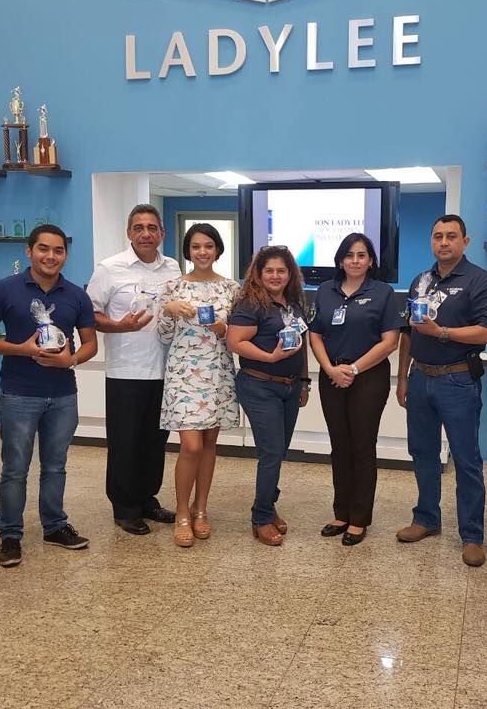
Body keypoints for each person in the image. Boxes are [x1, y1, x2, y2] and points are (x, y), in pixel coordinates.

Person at [0, 224, 98, 567]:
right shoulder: (4, 289)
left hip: (62, 394)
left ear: (65, 255)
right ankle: (10, 535)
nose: (51, 256)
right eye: (43, 248)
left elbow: (90, 343)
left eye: (58, 250)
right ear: (29, 251)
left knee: (56, 465)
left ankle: (55, 526)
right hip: (18, 393)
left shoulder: (76, 295)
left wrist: (71, 360)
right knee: (15, 468)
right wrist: (20, 349)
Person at [394, 214, 487, 568]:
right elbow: (408, 333)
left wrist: (442, 332)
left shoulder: (479, 281)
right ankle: (426, 518)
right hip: (420, 377)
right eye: (438, 236)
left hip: (457, 380)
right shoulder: (420, 281)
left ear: (465, 241)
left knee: (466, 460)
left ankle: (472, 535)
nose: (444, 242)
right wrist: (403, 377)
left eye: (451, 236)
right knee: (422, 453)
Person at [86, 203, 180, 535]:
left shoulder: (173, 268)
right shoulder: (109, 269)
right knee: (125, 443)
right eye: (138, 227)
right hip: (125, 372)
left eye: (152, 228)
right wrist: (118, 326)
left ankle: (146, 498)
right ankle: (125, 508)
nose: (145, 234)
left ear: (161, 233)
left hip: (165, 371)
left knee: (155, 442)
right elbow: (89, 315)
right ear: (129, 233)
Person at [308, 233, 404, 546]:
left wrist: (354, 369)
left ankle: (359, 518)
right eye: (349, 255)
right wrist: (329, 369)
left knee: (362, 446)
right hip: (332, 376)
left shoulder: (382, 292)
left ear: (371, 260)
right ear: (340, 260)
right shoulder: (325, 290)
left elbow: (390, 341)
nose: (355, 260)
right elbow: (315, 335)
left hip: (368, 377)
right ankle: (341, 513)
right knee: (340, 445)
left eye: (362, 255)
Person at [158, 223, 239, 547]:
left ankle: (200, 508)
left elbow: (238, 334)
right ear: (187, 252)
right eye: (195, 246)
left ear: (217, 250)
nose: (202, 252)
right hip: (183, 374)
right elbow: (163, 336)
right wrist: (168, 311)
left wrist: (223, 328)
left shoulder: (232, 288)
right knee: (190, 446)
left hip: (217, 372)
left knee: (208, 444)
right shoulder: (173, 286)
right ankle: (181, 511)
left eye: (208, 246)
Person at [227, 246, 310, 547]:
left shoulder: (294, 303)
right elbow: (235, 341)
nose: (275, 276)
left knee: (279, 449)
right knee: (272, 451)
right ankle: (260, 517)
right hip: (259, 385)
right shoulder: (251, 303)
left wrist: (304, 382)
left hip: (290, 387)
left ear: (290, 274)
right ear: (259, 274)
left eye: (281, 271)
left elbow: (301, 344)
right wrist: (270, 357)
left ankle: (268, 503)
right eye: (269, 271)